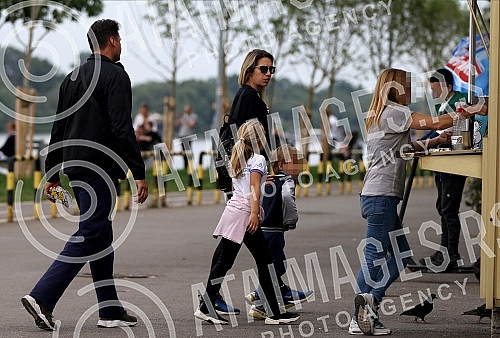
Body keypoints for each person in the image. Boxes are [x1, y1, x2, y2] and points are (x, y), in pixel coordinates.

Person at [21, 19, 148, 331]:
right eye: (121, 39)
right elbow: (121, 128)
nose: (122, 44)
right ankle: (43, 297)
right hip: (99, 169)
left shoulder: (72, 77)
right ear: (113, 41)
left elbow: (59, 128)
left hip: (75, 167)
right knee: (92, 233)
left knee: (100, 235)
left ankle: (109, 308)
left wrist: (51, 173)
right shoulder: (116, 75)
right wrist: (139, 171)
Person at [350, 68, 483, 336]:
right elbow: (433, 122)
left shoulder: (379, 113)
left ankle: (370, 301)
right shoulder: (395, 111)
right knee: (374, 256)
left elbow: (401, 150)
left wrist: (434, 142)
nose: (411, 91)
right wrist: (467, 111)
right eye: (408, 85)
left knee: (400, 256)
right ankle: (359, 315)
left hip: (376, 195)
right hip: (381, 195)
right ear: (396, 87)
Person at [195, 119, 300, 325]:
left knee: (243, 260)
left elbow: (239, 187)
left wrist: (261, 180)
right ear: (260, 139)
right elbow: (252, 188)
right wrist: (254, 214)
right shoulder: (259, 158)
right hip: (244, 215)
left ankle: (209, 306)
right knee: (260, 261)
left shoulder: (239, 156)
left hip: (234, 211)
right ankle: (270, 312)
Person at [245, 145, 313, 319]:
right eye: (296, 163)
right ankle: (259, 302)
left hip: (261, 228)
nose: (300, 167)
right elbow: (286, 198)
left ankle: (261, 294)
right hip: (274, 230)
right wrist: (291, 219)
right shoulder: (287, 181)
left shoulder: (268, 179)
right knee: (274, 266)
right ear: (281, 165)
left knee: (276, 264)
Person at [417, 68, 468, 271]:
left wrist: (423, 141)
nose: (433, 93)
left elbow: (445, 130)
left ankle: (451, 254)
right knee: (443, 207)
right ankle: (444, 250)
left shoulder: (460, 103)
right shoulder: (443, 106)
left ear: (448, 86)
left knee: (449, 209)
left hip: (454, 161)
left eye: (435, 88)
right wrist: (422, 142)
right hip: (443, 161)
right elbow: (436, 130)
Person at [175, 104, 197, 168]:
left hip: (189, 135)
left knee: (189, 150)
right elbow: (178, 124)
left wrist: (186, 117)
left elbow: (191, 125)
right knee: (183, 151)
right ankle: (185, 166)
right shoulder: (183, 116)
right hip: (182, 135)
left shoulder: (193, 116)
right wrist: (179, 117)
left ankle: (190, 166)